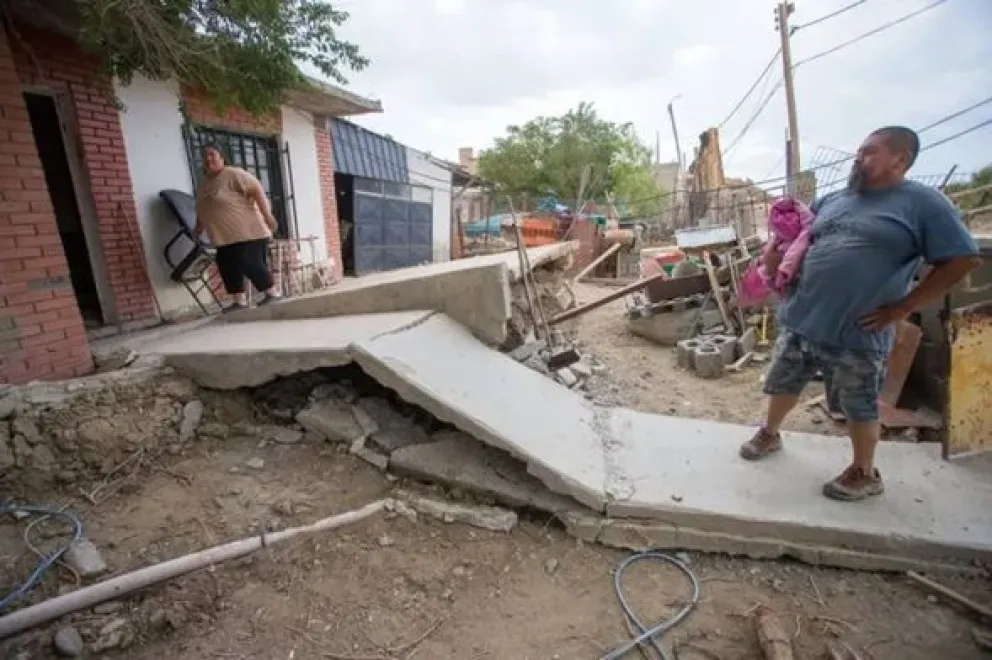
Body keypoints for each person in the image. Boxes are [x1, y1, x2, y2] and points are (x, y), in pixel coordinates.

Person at [739, 126, 981, 502]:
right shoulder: (834, 200)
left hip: (859, 330)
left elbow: (963, 259)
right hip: (804, 316)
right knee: (784, 381)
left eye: (870, 152)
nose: (858, 158)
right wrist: (775, 260)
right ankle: (769, 433)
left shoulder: (924, 204)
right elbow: (799, 242)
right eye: (859, 150)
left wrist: (904, 307)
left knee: (859, 402)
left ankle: (864, 472)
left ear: (900, 159)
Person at [193, 143, 283, 311]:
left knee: (251, 263)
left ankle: (272, 293)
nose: (208, 158)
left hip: (248, 233)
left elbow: (257, 190)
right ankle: (239, 301)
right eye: (204, 155)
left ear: (221, 157)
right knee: (227, 266)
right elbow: (201, 207)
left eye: (212, 154)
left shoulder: (233, 174)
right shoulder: (204, 184)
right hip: (223, 237)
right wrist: (198, 227)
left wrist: (268, 216)